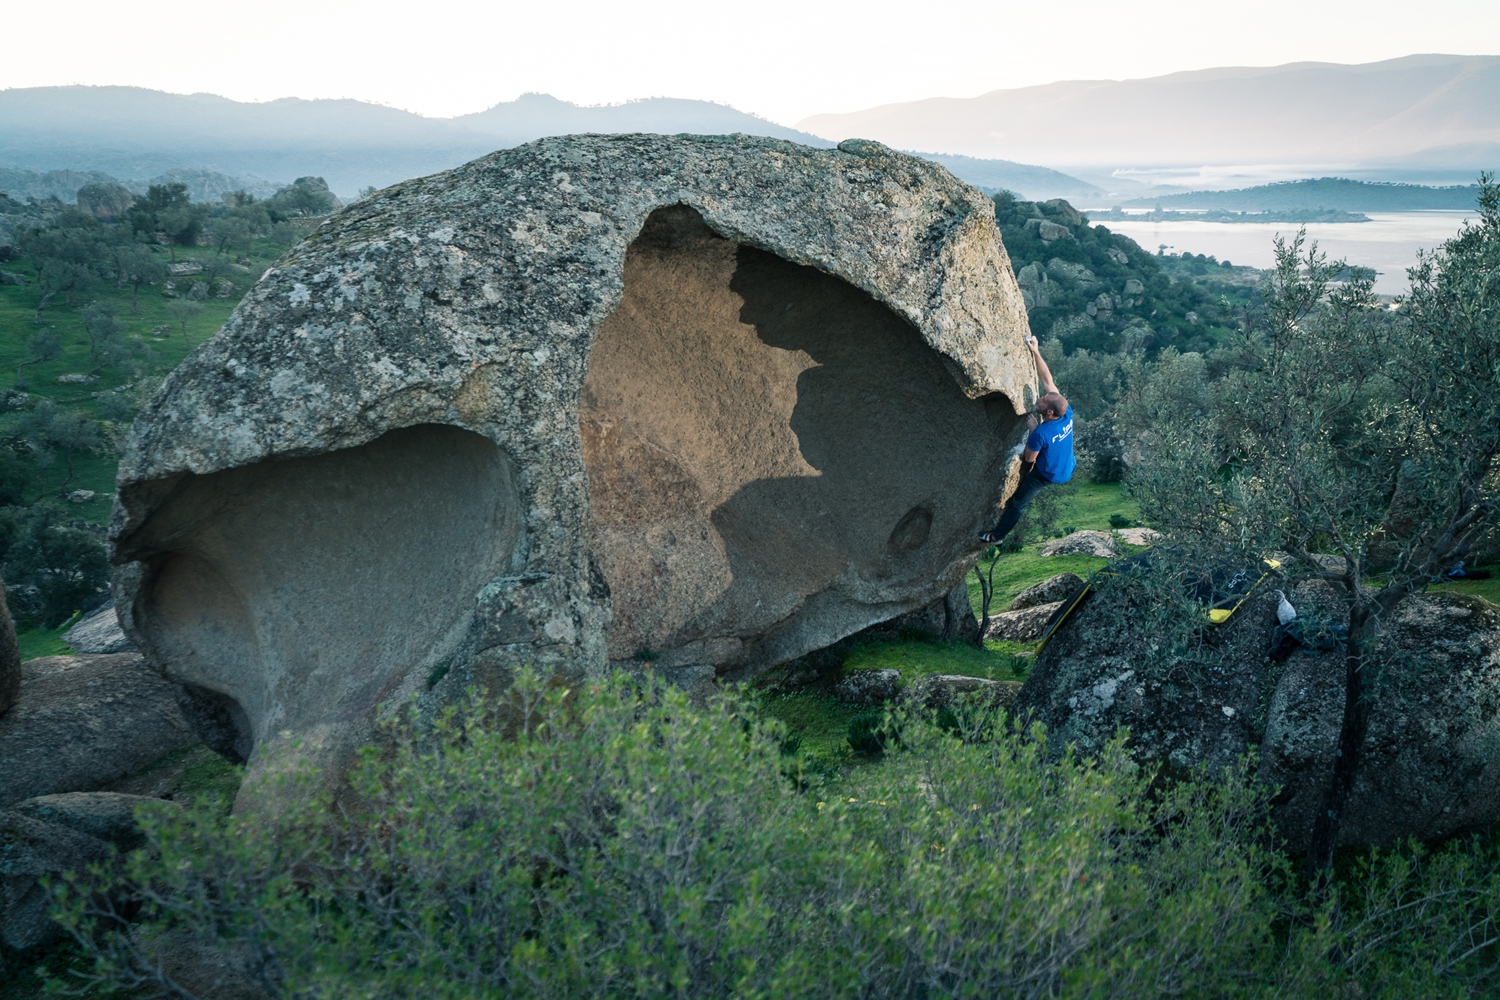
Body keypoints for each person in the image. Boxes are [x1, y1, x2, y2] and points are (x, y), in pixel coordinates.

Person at [979, 334, 1075, 544]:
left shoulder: (1042, 432)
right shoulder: (1066, 413)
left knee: (1017, 504)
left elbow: (1029, 460)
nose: (1039, 399)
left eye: (1042, 401)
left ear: (1049, 413)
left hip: (1049, 474)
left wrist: (1033, 430)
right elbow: (1047, 380)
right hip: (1067, 465)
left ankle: (997, 536)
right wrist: (1036, 352)